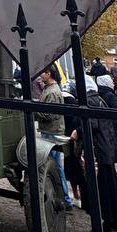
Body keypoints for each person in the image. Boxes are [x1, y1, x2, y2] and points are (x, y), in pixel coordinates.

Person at [71, 76, 117, 232]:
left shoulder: (89, 101)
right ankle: (108, 225)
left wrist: (77, 132)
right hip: (103, 151)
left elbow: (92, 124)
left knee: (104, 191)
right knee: (106, 190)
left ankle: (113, 228)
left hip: (98, 153)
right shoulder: (98, 99)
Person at [38, 67, 75, 210]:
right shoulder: (48, 89)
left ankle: (65, 199)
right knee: (55, 166)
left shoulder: (52, 92)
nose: (40, 75)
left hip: (52, 132)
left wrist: (35, 110)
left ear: (49, 74)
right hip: (49, 131)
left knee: (56, 166)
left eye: (43, 72)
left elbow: (51, 114)